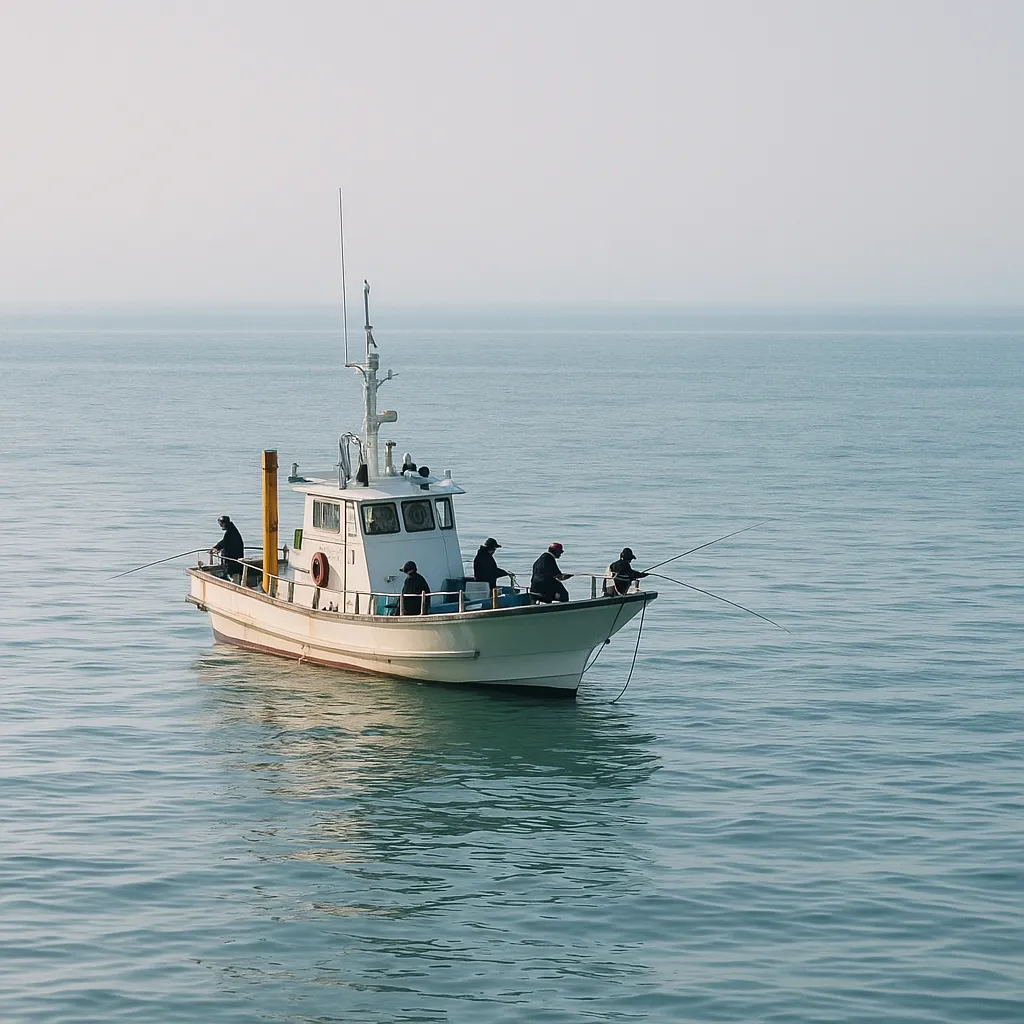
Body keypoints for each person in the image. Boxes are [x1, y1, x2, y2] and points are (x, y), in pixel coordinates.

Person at [210, 515, 244, 581]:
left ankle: (228, 577)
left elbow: (225, 542)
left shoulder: (230, 532)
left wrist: (217, 548)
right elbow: (224, 541)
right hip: (235, 555)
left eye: (221, 524)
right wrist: (216, 547)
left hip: (233, 557)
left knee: (231, 570)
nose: (220, 526)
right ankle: (227, 575)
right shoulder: (232, 530)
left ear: (224, 523)